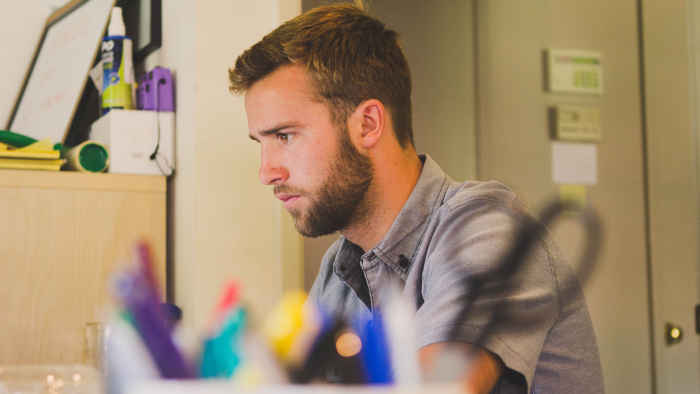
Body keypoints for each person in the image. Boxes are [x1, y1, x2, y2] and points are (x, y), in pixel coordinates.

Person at [228, 2, 604, 393]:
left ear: (368, 124)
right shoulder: (337, 272)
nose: (266, 172)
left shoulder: (488, 227)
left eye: (284, 136)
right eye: (261, 142)